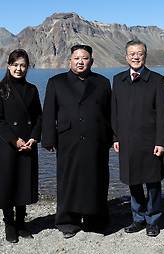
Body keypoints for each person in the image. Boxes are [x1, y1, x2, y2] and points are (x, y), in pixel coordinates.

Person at [42, 44, 112, 238]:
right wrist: (48, 138)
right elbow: (49, 112)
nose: (81, 61)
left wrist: (114, 137)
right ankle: (67, 221)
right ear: (70, 61)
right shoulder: (56, 82)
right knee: (68, 179)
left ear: (91, 61)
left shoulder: (102, 82)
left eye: (85, 58)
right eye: (77, 58)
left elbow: (110, 113)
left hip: (96, 139)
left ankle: (95, 220)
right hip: (68, 139)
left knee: (96, 179)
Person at [111, 39, 164, 237]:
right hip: (127, 140)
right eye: (132, 53)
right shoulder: (118, 80)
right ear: (126, 56)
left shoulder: (156, 80)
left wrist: (161, 141)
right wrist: (115, 137)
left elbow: (163, 114)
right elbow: (114, 111)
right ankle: (138, 218)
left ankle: (153, 220)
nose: (136, 57)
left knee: (152, 182)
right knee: (133, 180)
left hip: (150, 140)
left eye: (140, 53)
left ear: (145, 56)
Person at [0, 49, 42, 243]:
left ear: (27, 68)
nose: (19, 69)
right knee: (7, 183)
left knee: (23, 183)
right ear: (9, 66)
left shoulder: (32, 90)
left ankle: (21, 222)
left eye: (23, 65)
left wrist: (34, 138)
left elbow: (38, 117)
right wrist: (14, 140)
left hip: (27, 143)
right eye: (15, 64)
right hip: (7, 145)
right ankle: (9, 223)